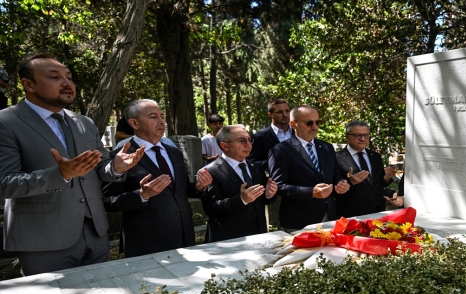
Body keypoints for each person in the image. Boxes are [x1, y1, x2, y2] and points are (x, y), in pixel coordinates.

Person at [0, 53, 145, 275]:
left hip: (95, 233)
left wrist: (116, 167)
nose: (67, 83)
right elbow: (5, 183)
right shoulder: (6, 123)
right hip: (43, 239)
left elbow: (100, 167)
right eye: (54, 77)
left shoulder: (84, 123)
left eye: (69, 77)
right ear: (28, 84)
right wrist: (60, 174)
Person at [102, 99, 212, 258]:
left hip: (183, 235)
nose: (161, 121)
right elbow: (109, 201)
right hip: (146, 240)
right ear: (134, 123)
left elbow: (179, 190)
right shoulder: (121, 158)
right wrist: (142, 195)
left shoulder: (173, 152)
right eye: (153, 116)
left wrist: (199, 186)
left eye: (161, 116)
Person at [268, 105, 350, 232]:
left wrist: (341, 184)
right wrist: (311, 192)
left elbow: (335, 175)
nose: (315, 127)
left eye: (318, 122)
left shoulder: (327, 147)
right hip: (299, 220)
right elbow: (279, 185)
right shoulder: (281, 150)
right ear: (293, 124)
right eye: (309, 123)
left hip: (330, 216)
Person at [202, 124, 277, 241]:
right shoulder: (210, 171)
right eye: (242, 141)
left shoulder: (256, 167)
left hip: (259, 234)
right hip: (229, 239)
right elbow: (211, 209)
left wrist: (269, 194)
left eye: (249, 140)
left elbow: (263, 201)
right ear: (225, 146)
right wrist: (242, 200)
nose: (248, 144)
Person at [335, 120, 396, 217]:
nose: (363, 139)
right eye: (358, 135)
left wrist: (386, 178)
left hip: (378, 210)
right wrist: (350, 181)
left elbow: (378, 183)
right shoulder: (336, 157)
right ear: (347, 137)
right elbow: (333, 186)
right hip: (351, 213)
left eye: (366, 135)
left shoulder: (375, 156)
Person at [248, 98, 292, 171]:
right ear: (270, 114)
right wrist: (274, 161)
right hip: (273, 180)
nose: (285, 115)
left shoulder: (298, 133)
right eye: (280, 112)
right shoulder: (260, 137)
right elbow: (251, 163)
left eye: (287, 111)